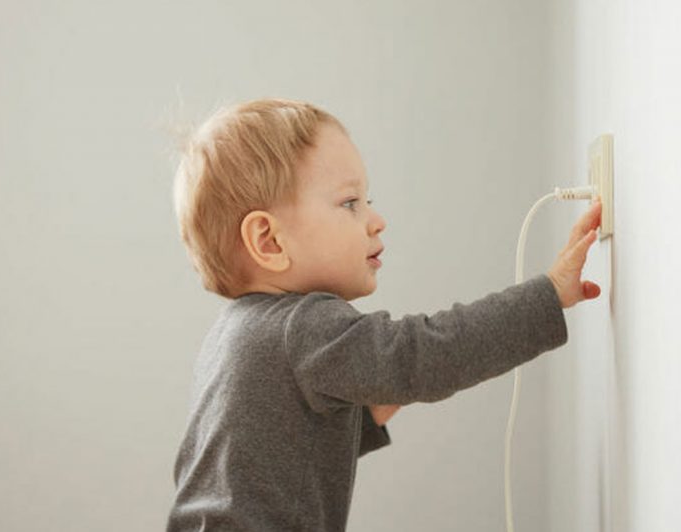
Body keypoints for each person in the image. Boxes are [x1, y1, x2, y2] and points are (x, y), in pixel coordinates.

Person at [166, 98, 602, 531]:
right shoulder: (301, 327)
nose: (376, 220)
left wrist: (383, 394)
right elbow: (424, 354)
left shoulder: (232, 335)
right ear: (269, 241)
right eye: (350, 203)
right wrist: (548, 295)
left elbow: (283, 452)